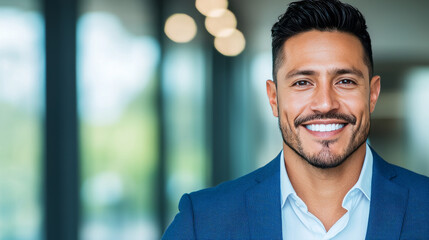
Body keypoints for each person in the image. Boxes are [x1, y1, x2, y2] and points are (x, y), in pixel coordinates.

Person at [162, 0, 429, 239]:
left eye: (345, 81)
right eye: (303, 82)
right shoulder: (202, 222)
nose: (325, 103)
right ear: (273, 97)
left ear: (372, 94)